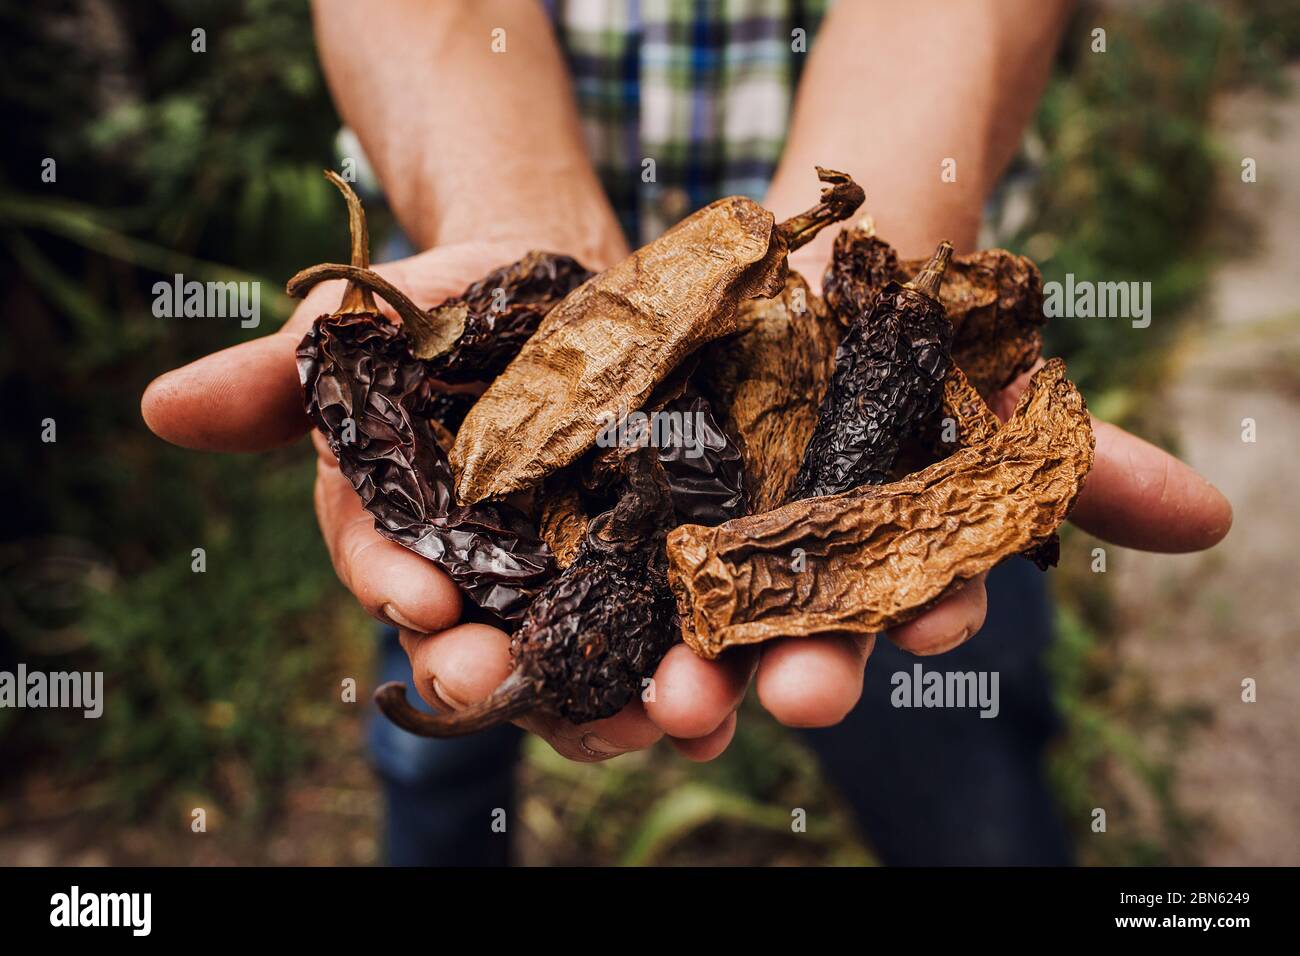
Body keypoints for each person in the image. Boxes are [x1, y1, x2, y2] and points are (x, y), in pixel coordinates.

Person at [141, 0, 1232, 865]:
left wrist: (893, 213)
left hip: (845, 397)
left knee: (962, 779)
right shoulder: (513, 434)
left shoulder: (826, 358)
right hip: (507, 359)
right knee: (445, 707)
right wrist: (499, 203)